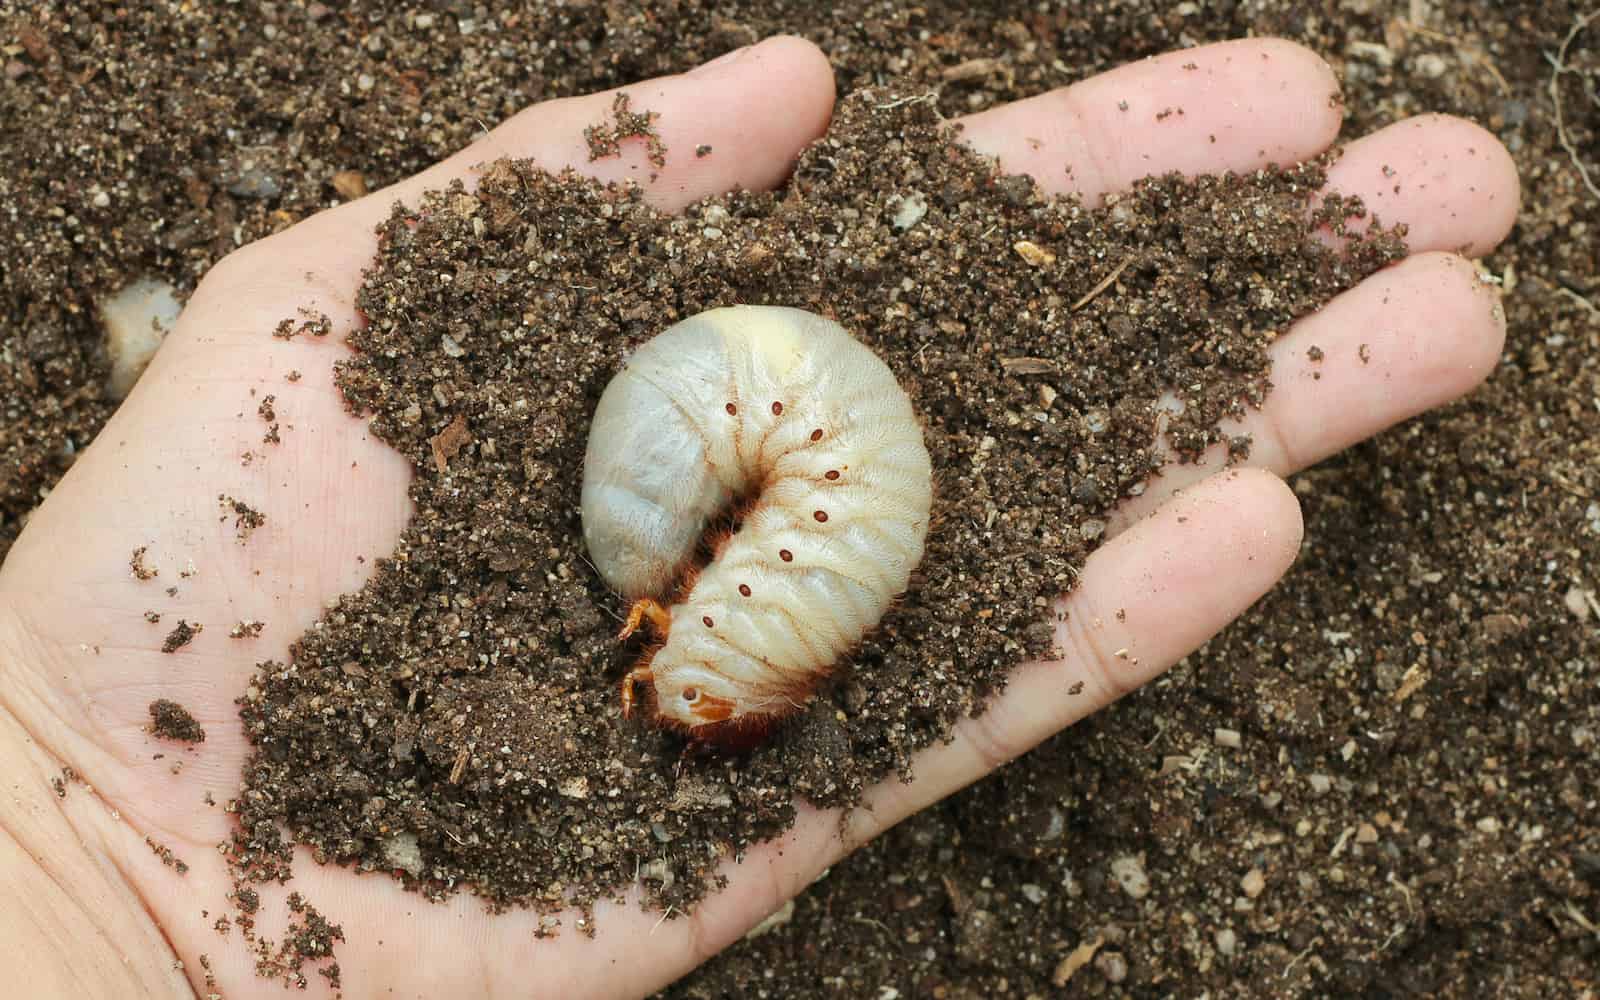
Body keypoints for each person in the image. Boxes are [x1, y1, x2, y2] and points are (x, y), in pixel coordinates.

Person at [0, 35, 1517, 999]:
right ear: (718, 580)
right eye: (672, 622)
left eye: (664, 617)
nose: (655, 622)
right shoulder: (713, 525)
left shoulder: (751, 533)